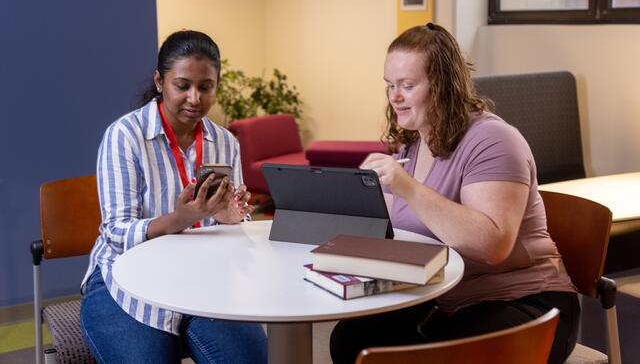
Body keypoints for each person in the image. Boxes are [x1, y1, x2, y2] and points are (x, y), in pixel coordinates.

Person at [329, 23, 579, 364]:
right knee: (351, 339)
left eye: (407, 85)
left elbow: (492, 246)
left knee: (441, 355)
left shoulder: (492, 140)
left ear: (443, 86)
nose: (394, 96)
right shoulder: (415, 142)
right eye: (390, 85)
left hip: (526, 300)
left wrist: (408, 187)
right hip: (448, 299)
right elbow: (398, 232)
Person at [80, 30, 267, 363]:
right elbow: (116, 232)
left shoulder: (224, 142)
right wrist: (180, 220)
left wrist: (232, 218)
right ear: (159, 81)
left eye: (205, 87)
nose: (194, 98)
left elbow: (234, 228)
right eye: (183, 86)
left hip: (204, 276)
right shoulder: (125, 136)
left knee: (250, 358)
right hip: (126, 279)